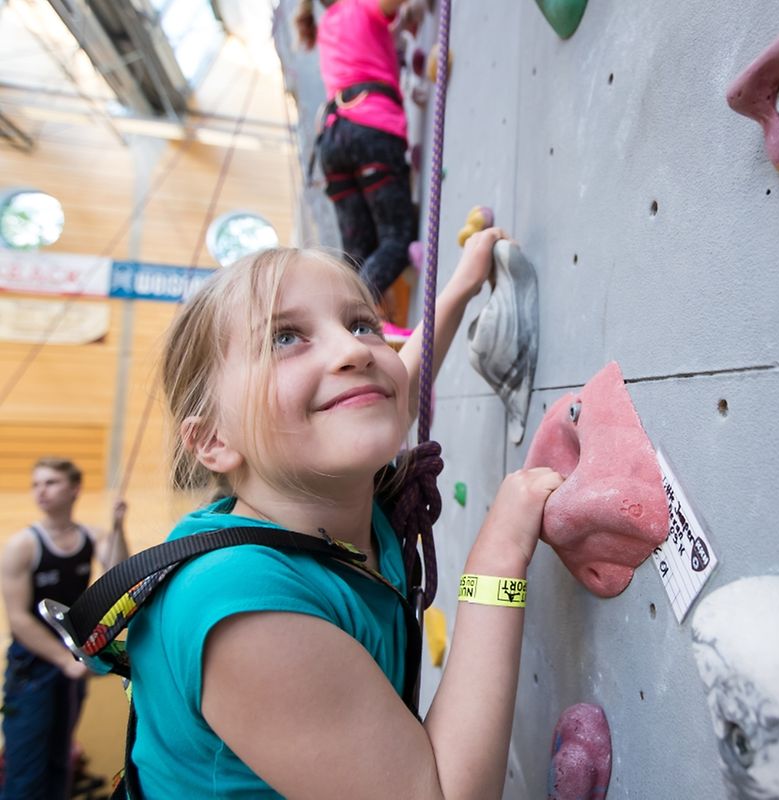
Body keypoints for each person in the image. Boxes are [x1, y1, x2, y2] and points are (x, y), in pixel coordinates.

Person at [126, 231, 563, 798]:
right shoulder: (240, 608)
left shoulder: (322, 503)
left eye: (362, 324)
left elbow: (390, 388)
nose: (354, 351)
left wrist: (459, 287)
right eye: (285, 337)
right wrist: (497, 561)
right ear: (212, 438)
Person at [0, 458, 129, 800]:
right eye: (36, 484)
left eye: (51, 483)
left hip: (73, 659)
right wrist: (62, 659)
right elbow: (19, 620)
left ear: (74, 489)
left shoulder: (91, 536)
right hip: (34, 665)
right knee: (26, 766)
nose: (41, 491)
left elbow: (120, 575)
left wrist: (119, 527)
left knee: (60, 760)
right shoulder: (22, 546)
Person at [296, 0, 426, 332]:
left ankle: (343, 317)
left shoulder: (328, 25)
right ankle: (344, 321)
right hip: (371, 127)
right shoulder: (359, 5)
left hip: (333, 140)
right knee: (396, 240)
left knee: (357, 255)